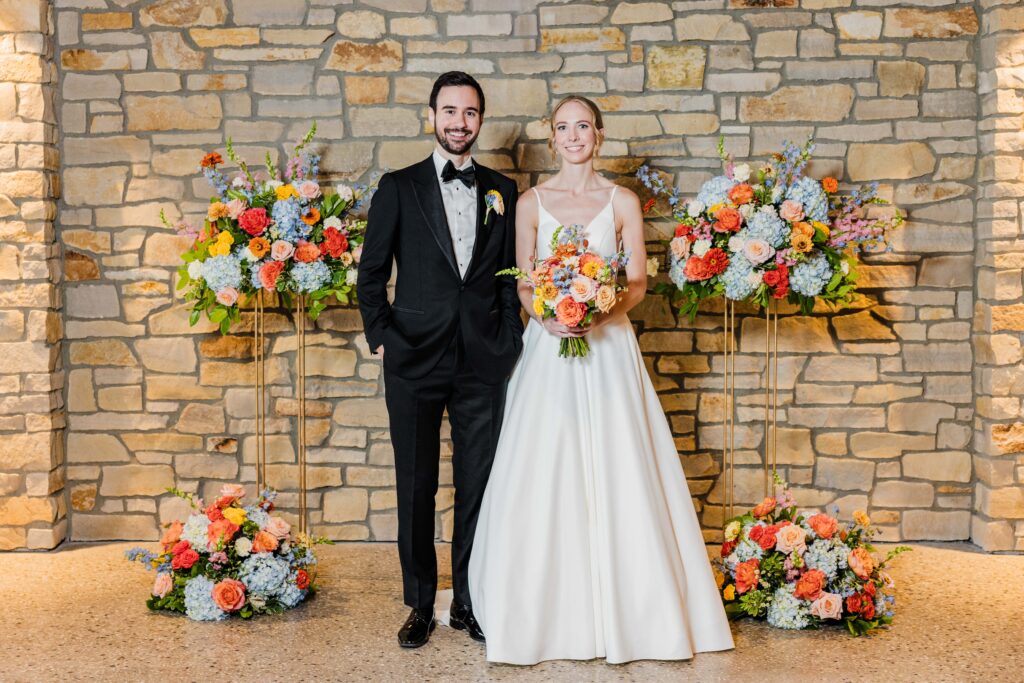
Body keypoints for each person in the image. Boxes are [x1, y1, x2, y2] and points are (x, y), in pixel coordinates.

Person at [468, 95, 735, 665]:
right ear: (551, 138)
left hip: (608, 347)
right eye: (562, 128)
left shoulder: (622, 200)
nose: (572, 136)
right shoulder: (531, 203)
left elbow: (636, 282)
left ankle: (638, 612)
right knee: (546, 464)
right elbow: (520, 282)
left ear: (599, 134)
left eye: (582, 126)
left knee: (623, 465)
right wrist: (551, 316)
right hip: (548, 349)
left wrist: (591, 315)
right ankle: (540, 612)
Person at [356, 72, 523, 649]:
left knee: (479, 486)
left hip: (484, 360)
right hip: (414, 360)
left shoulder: (505, 189)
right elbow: (371, 272)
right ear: (431, 116)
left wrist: (510, 338)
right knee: (417, 485)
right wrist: (382, 335)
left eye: (470, 112)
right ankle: (422, 605)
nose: (459, 122)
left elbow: (508, 277)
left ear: (482, 119)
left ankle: (470, 603)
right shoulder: (398, 186)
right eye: (449, 111)